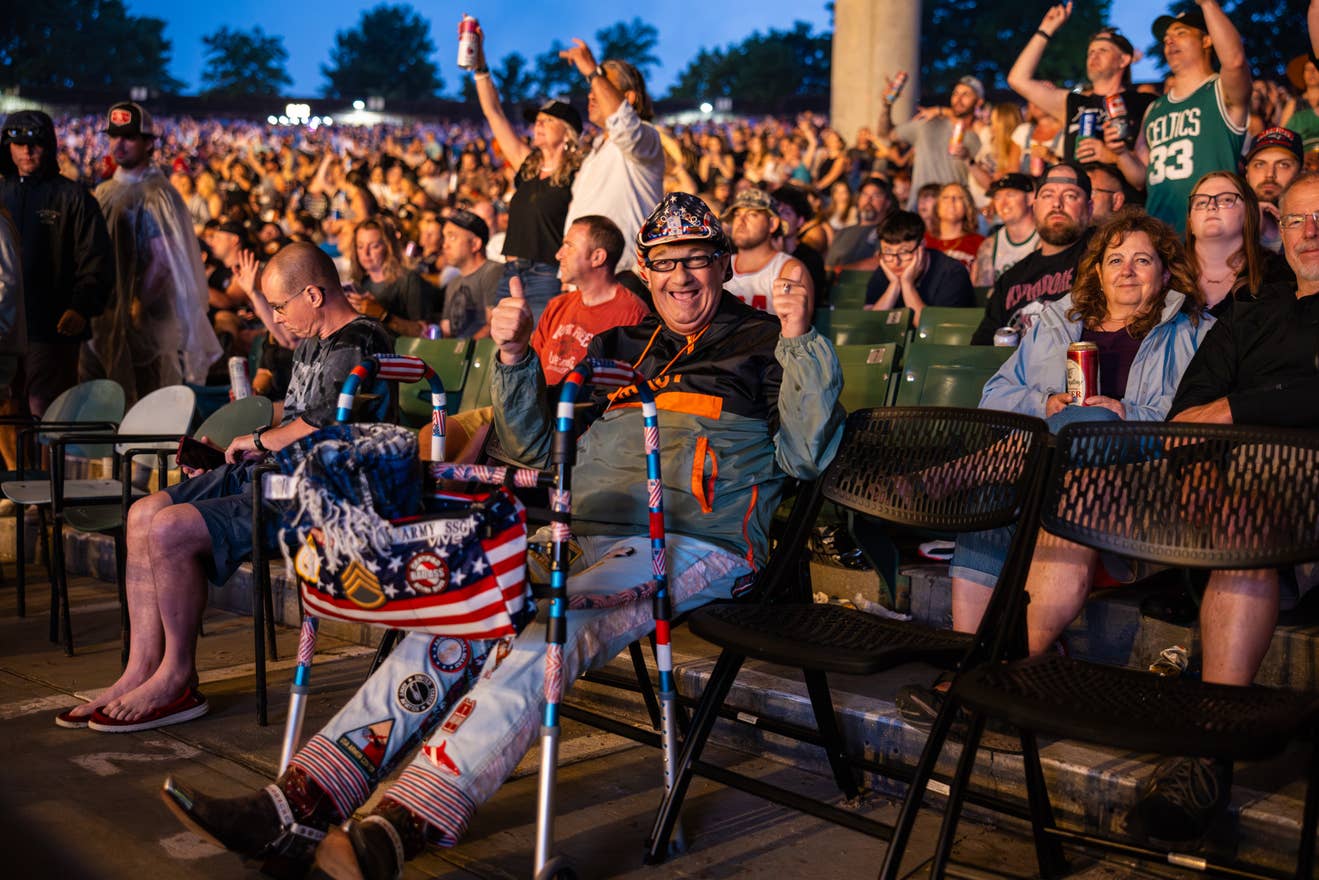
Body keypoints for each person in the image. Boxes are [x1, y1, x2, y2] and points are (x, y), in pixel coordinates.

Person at [158, 191, 843, 878]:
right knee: (461, 605)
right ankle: (301, 803)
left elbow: (807, 457)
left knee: (550, 631)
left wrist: (801, 339)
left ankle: (400, 826)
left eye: (696, 259)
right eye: (665, 262)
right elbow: (533, 449)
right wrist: (513, 358)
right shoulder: (620, 346)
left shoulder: (769, 343)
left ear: (724, 264)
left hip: (697, 539)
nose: (681, 277)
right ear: (645, 270)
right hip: (582, 527)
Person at [55, 243, 392, 733]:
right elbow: (297, 409)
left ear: (314, 295)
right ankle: (140, 669)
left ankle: (177, 678)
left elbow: (327, 423)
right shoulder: (315, 340)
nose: (278, 318)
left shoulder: (362, 338)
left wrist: (257, 439)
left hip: (315, 489)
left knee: (170, 528)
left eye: (280, 306)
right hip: (271, 470)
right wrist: (237, 443)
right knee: (143, 514)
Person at [898, 209, 1212, 732]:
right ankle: (971, 668)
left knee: (1086, 426)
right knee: (993, 499)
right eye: (1115, 259)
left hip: (1134, 475)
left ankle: (956, 476)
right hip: (1051, 469)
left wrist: (1125, 411)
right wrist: (1044, 402)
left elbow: (1193, 421)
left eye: (1142, 260)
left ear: (1165, 273)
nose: (1127, 270)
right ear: (1097, 270)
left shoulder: (1193, 331)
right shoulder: (1058, 319)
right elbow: (996, 394)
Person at [1131, 171, 1319, 843]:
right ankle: (1011, 677)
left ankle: (1207, 751)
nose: (1310, 233)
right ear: (1278, 230)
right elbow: (1191, 403)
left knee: (1245, 521)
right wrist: (1200, 465)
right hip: (1230, 479)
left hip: (1304, 480)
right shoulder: (1253, 306)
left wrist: (1235, 409)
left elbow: (1222, 406)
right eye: (1296, 220)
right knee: (1072, 494)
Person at [82, 102, 222, 403]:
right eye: (114, 136)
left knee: (142, 397)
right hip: (106, 314)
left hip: (144, 319)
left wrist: (138, 304)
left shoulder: (157, 194)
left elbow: (163, 259)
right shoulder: (107, 189)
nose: (119, 144)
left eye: (129, 137)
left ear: (148, 143)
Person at [0, 110, 112, 423]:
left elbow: (96, 257)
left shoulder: (73, 197)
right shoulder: (1, 194)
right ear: (7, 147)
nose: (27, 151)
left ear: (49, 146)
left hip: (52, 327)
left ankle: (49, 459)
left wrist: (81, 306)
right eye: (19, 144)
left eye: (35, 143)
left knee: (47, 411)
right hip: (5, 328)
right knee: (7, 412)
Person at [470, 24, 583, 325]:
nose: (538, 124)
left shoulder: (580, 175)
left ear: (568, 134)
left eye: (548, 120)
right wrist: (480, 65)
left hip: (548, 274)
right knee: (503, 344)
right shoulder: (527, 165)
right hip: (511, 271)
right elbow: (494, 113)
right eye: (538, 120)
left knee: (541, 344)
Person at [1110, 3, 1251, 235]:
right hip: (1161, 237)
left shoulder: (1220, 90)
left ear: (1207, 40)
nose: (1169, 41)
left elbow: (1235, 61)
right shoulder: (1155, 108)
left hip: (1212, 232)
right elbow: (1141, 177)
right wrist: (1121, 153)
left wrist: (1207, 4)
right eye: (1166, 38)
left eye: (1181, 33)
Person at [558, 39, 664, 278]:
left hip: (624, 274)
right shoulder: (596, 149)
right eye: (591, 88)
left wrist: (592, 71)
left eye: (602, 86)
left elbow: (624, 126)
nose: (592, 95)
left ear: (629, 98)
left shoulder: (646, 137)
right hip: (586, 277)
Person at [1007, 4, 1155, 162]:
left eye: (1103, 50)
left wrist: (1111, 156)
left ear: (1123, 60)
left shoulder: (1145, 103)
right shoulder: (1073, 103)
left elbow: (1150, 165)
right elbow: (1017, 79)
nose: (1094, 56)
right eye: (1091, 52)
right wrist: (1046, 29)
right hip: (1075, 179)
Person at [971, 162, 1094, 344]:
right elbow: (982, 346)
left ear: (1089, 208)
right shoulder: (1011, 279)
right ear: (1035, 206)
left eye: (1070, 196)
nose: (1057, 204)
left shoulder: (1103, 258)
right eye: (1047, 195)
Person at [1185, 171, 1293, 316]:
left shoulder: (1278, 275)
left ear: (1249, 213)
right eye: (1201, 202)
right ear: (1190, 221)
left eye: (1226, 200)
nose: (1211, 206)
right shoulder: (1165, 271)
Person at [877, 75, 985, 209]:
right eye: (955, 94)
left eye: (966, 94)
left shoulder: (981, 138)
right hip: (919, 211)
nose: (958, 99)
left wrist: (941, 110)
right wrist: (886, 106)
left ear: (979, 102)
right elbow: (886, 133)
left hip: (952, 212)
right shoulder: (928, 124)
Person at [866, 210, 975, 319]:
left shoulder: (952, 273)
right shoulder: (885, 269)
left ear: (922, 245)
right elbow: (870, 324)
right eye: (888, 251)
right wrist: (894, 285)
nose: (896, 262)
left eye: (904, 252)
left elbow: (933, 328)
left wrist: (907, 284)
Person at [723, 189, 814, 316]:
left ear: (772, 224)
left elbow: (798, 326)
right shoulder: (721, 265)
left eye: (752, 214)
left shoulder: (789, 271)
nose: (741, 221)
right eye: (737, 215)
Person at [344, 219, 440, 338]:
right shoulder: (360, 283)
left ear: (388, 247)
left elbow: (425, 333)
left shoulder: (408, 280)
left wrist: (384, 316)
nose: (365, 253)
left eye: (374, 246)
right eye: (360, 246)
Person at [437, 209, 503, 341]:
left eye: (452, 237)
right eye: (444, 237)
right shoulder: (453, 283)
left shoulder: (494, 272)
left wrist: (462, 348)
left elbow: (494, 325)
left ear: (475, 244)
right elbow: (446, 329)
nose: (445, 245)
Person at [971, 174, 1039, 287]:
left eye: (1010, 195)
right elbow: (983, 293)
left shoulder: (1048, 239)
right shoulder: (990, 245)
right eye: (997, 197)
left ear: (1030, 198)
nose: (1003, 204)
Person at [1242, 127, 1303, 253]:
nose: (1270, 174)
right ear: (1247, 174)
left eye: (1283, 165)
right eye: (1259, 164)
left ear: (1301, 173)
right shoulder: (1227, 225)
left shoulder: (1313, 229)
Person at [826, 176, 897, 270]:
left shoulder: (889, 232)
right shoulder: (843, 232)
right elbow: (828, 265)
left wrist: (842, 270)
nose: (868, 200)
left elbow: (884, 260)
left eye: (876, 195)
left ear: (887, 202)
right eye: (864, 194)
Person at [925, 183, 985, 275]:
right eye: (945, 197)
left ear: (967, 207)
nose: (951, 201)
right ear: (937, 206)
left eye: (958, 198)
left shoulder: (980, 243)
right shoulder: (923, 241)